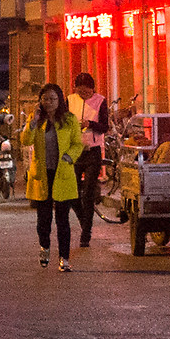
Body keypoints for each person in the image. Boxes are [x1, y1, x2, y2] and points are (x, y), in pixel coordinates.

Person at [20, 82, 83, 271]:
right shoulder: (36, 119)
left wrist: (68, 157)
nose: (49, 102)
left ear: (60, 100)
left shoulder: (70, 120)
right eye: (45, 99)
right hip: (42, 174)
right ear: (40, 100)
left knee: (63, 219)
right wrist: (32, 123)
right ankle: (44, 247)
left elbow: (77, 144)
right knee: (43, 219)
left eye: (53, 99)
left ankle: (64, 258)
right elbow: (25, 140)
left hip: (62, 173)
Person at [70, 72, 109, 245]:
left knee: (88, 193)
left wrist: (90, 124)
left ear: (93, 89)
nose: (83, 95)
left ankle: (86, 233)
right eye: (80, 92)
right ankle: (83, 220)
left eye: (87, 92)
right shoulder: (70, 100)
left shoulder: (100, 101)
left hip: (93, 151)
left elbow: (105, 127)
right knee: (73, 193)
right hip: (74, 151)